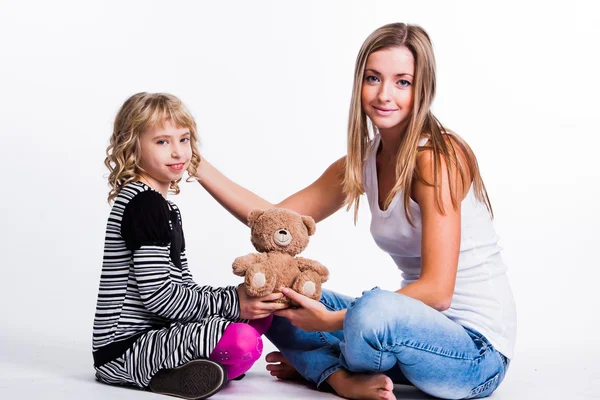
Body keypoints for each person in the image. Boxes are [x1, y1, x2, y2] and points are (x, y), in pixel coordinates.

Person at [194, 23, 516, 400]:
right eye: (373, 78)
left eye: (402, 82)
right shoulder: (363, 162)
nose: (384, 94)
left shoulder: (436, 159)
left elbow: (438, 291)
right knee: (279, 294)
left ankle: (321, 366)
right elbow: (276, 221)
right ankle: (339, 377)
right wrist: (195, 164)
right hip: (404, 336)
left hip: (476, 355)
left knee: (373, 308)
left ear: (423, 89)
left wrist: (331, 321)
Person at [92, 92, 284, 399]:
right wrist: (233, 302)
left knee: (259, 314)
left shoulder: (164, 207)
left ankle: (197, 367)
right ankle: (165, 373)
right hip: (124, 348)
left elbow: (182, 285)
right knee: (242, 339)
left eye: (184, 139)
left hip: (158, 335)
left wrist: (240, 303)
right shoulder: (143, 204)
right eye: (162, 142)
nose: (178, 151)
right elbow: (159, 298)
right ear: (132, 145)